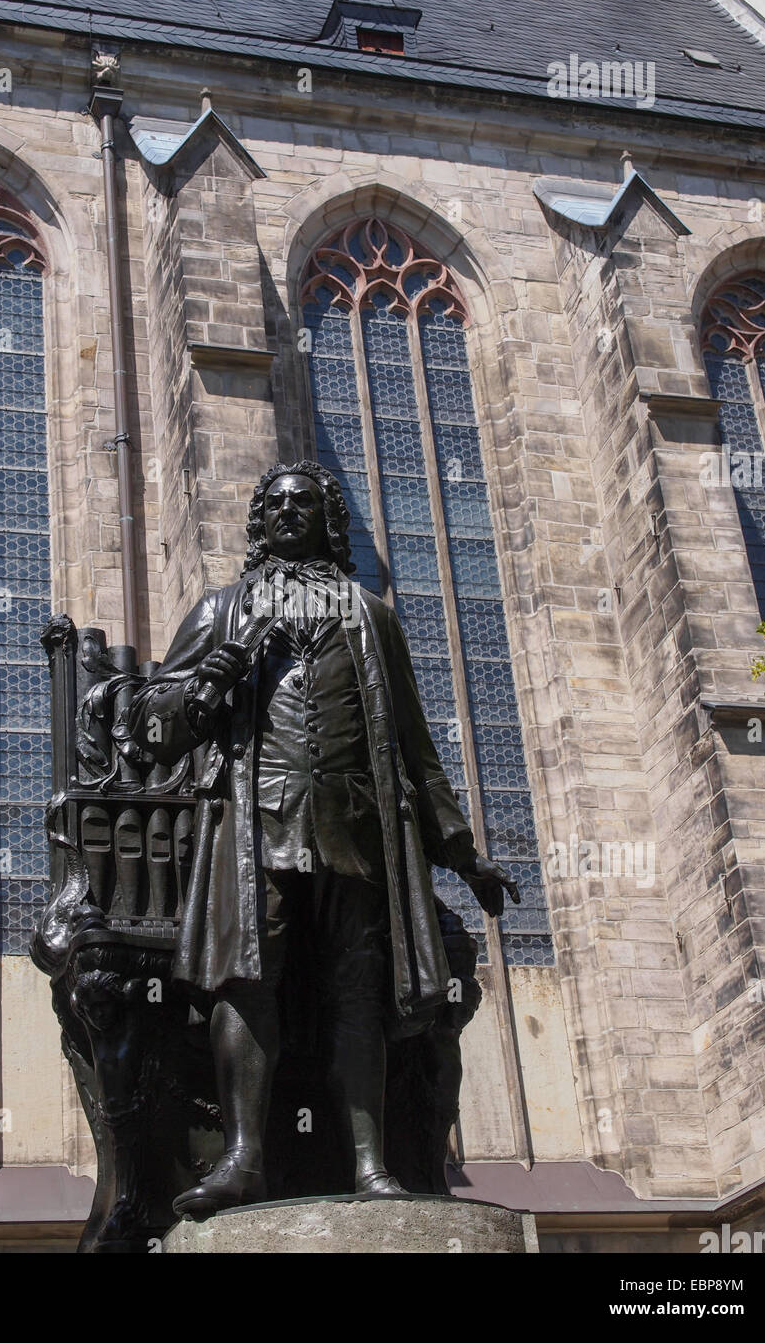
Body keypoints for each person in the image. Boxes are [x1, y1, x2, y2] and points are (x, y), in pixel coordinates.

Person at [131, 460, 518, 1217]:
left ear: (326, 518)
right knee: (248, 981)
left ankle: (370, 1165)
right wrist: (210, 681)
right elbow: (151, 731)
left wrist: (463, 853)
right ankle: (243, 1159)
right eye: (271, 503)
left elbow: (414, 747)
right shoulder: (222, 611)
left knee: (358, 992)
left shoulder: (370, 616)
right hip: (252, 827)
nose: (285, 513)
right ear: (257, 521)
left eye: (302, 502)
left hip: (356, 830)